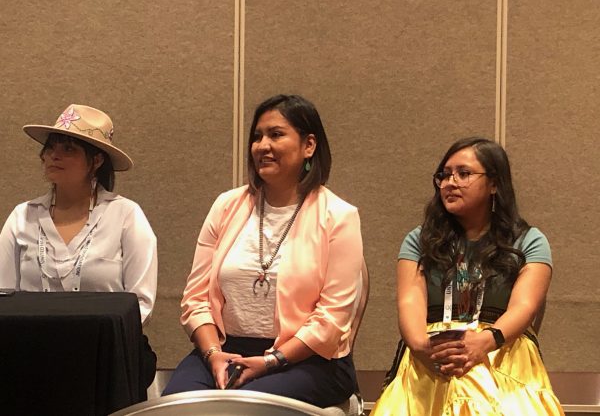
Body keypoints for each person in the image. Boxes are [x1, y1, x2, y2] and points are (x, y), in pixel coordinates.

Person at [162, 94, 363, 408]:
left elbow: (332, 320)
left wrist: (272, 361)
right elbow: (196, 299)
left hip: (308, 358)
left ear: (309, 145)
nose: (262, 145)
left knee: (243, 408)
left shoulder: (339, 216)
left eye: (276, 134)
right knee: (178, 407)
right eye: (257, 137)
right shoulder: (226, 205)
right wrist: (214, 355)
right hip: (228, 349)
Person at [371, 137, 563, 416]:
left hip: (501, 352)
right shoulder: (419, 239)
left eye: (464, 173)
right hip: (432, 355)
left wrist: (483, 343)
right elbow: (409, 303)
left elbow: (525, 307)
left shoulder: (528, 241)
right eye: (445, 175)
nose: (450, 182)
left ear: (494, 183)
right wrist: (422, 348)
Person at [0, 104, 158, 387]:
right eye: (50, 148)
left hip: (103, 356)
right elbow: (3, 295)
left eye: (69, 149)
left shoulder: (125, 215)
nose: (53, 155)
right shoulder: (22, 216)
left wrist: (87, 337)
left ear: (96, 160)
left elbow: (140, 305)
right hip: (28, 353)